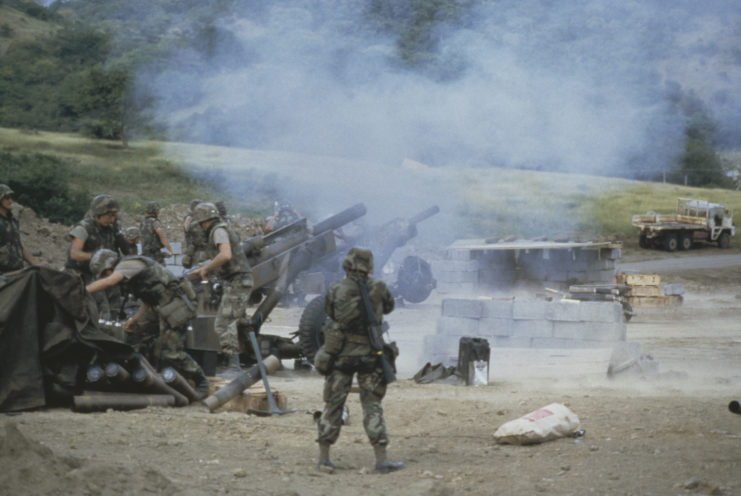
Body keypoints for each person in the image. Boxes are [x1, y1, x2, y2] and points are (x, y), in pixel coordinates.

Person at [314, 247, 404, 474]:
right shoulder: (380, 287)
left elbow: (331, 314)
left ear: (347, 266)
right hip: (370, 356)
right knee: (372, 406)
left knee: (333, 405)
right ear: (369, 267)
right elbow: (390, 307)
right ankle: (381, 460)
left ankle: (324, 458)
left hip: (341, 355)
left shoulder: (336, 288)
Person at [86, 248, 209, 398]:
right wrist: (135, 320)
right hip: (159, 305)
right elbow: (148, 300)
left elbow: (109, 281)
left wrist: (83, 291)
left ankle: (200, 380)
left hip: (176, 305)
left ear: (110, 265)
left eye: (105, 272)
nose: (106, 275)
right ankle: (138, 372)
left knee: (170, 352)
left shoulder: (130, 264)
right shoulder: (129, 275)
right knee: (132, 335)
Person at [192, 202, 253, 376]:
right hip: (237, 280)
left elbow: (225, 255)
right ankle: (251, 358)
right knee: (238, 322)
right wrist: (205, 269)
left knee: (224, 323)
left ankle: (234, 367)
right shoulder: (220, 228)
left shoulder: (218, 231)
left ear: (204, 220)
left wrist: (206, 269)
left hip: (238, 281)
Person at [0, 184, 41, 274]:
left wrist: (35, 263)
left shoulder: (13, 220)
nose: (11, 201)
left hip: (16, 270)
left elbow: (18, 246)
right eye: (7, 198)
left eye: (11, 198)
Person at [182, 199, 208, 269]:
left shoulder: (188, 218)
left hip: (191, 250)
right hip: (198, 252)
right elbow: (198, 240)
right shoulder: (196, 220)